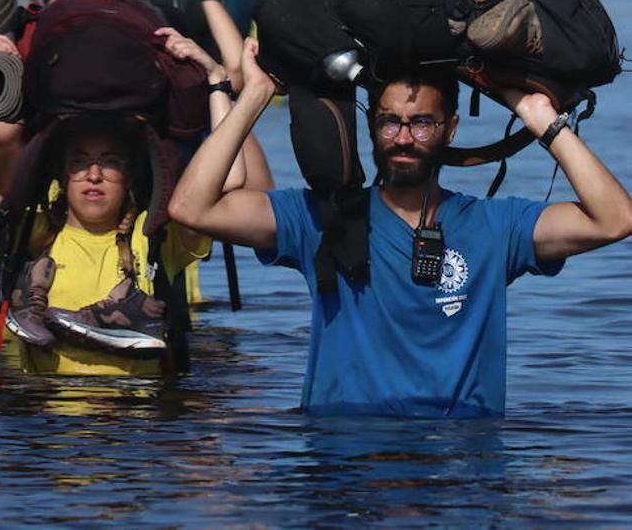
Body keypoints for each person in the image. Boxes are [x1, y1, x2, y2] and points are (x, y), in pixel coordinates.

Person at [170, 38, 632, 417]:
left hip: (457, 467)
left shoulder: (495, 227)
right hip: (345, 468)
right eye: (389, 123)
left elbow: (615, 219)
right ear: (371, 128)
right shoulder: (322, 218)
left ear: (451, 129)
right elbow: (192, 207)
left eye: (422, 123)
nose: (404, 138)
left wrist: (543, 121)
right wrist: (253, 97)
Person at [0, 30, 242, 376]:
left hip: (137, 425)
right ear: (62, 176)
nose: (93, 174)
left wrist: (217, 81)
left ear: (129, 176)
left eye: (109, 162)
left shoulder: (154, 236)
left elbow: (229, 181)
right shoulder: (31, 235)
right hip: (47, 424)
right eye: (80, 162)